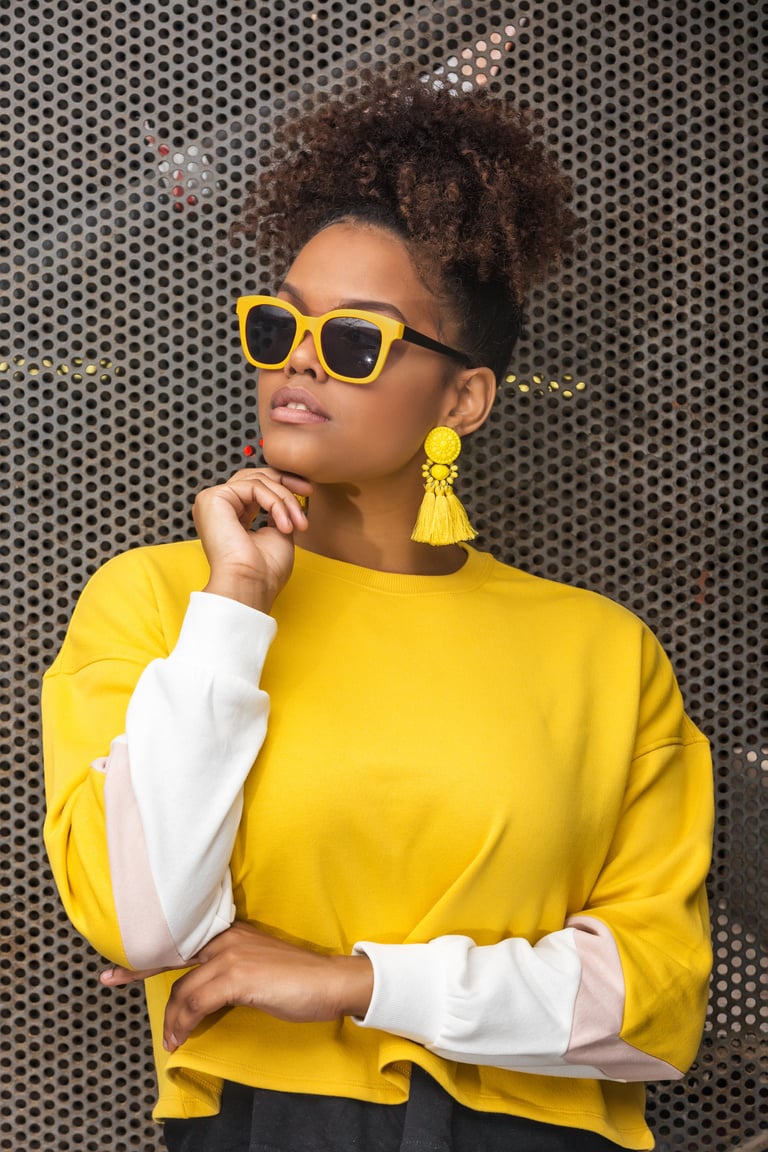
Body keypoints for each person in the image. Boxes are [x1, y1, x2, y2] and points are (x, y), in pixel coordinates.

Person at [42, 69, 713, 1152]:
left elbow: (653, 1003)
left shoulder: (604, 652)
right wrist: (235, 610)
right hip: (264, 1126)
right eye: (280, 327)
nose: (299, 360)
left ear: (463, 399)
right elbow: (140, 919)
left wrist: (354, 981)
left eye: (357, 341)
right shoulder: (164, 603)